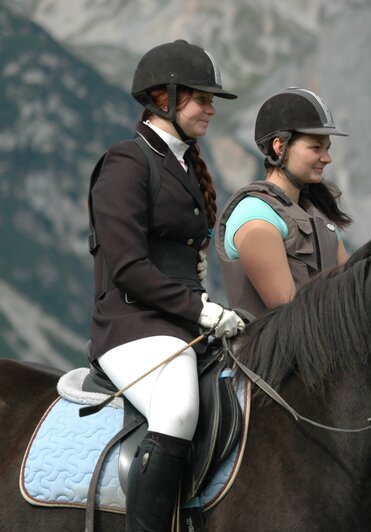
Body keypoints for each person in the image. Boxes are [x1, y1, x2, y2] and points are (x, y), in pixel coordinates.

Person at [87, 40, 245, 531]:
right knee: (177, 410)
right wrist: (203, 311)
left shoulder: (182, 166)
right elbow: (129, 267)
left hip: (178, 325)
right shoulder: (125, 163)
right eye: (202, 98)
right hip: (131, 325)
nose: (211, 109)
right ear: (165, 99)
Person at [214, 88, 351, 318]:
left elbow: (350, 293)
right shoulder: (255, 215)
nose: (327, 158)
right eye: (316, 148)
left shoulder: (321, 218)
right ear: (280, 147)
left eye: (327, 148)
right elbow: (289, 313)